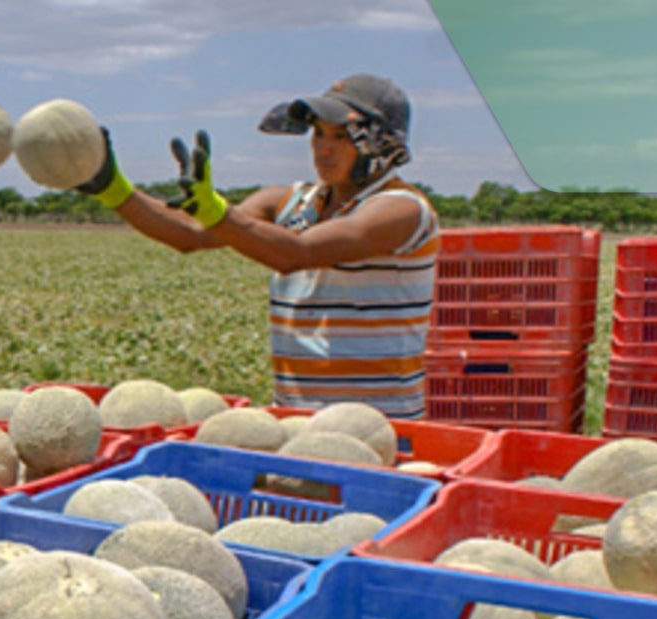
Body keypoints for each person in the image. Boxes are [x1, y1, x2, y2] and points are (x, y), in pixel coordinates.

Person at [76, 74, 440, 419]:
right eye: (317, 134)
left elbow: (298, 253)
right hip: (294, 418)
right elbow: (191, 234)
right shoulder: (289, 202)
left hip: (381, 426)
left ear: (378, 144)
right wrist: (115, 189)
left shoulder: (402, 209)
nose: (323, 149)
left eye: (341, 137)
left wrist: (218, 212)